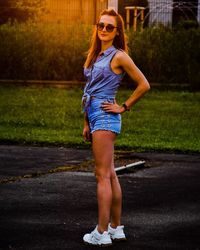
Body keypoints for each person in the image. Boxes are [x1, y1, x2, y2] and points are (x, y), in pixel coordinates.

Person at [82, 9, 150, 247]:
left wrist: (124, 106)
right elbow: (89, 91)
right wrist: (86, 122)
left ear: (117, 31)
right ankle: (115, 228)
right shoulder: (96, 54)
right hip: (95, 118)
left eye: (109, 27)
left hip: (106, 118)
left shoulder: (118, 56)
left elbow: (144, 84)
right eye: (101, 25)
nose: (103, 29)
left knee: (101, 176)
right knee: (109, 174)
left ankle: (101, 233)